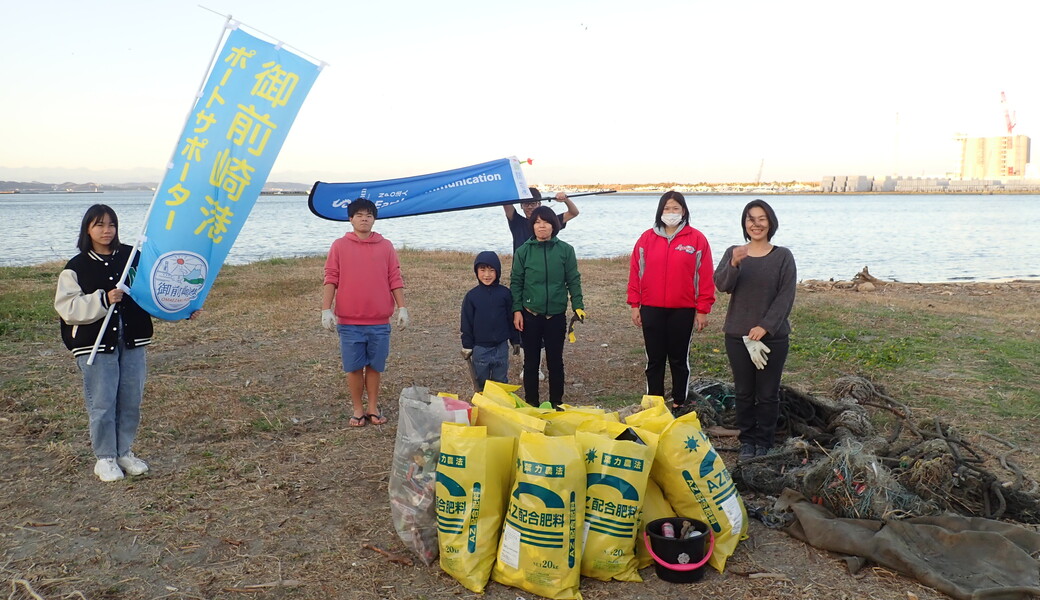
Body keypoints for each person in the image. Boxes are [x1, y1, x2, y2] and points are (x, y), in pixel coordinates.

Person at [54, 204, 154, 482]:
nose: (106, 230)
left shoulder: (132, 257)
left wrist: (181, 309)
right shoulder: (76, 267)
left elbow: (151, 290)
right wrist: (102, 299)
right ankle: (105, 457)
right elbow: (67, 307)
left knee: (130, 400)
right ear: (87, 228)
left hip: (133, 339)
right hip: (95, 344)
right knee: (103, 401)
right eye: (99, 225)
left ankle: (124, 452)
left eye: (111, 224)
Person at [713, 199, 797, 461]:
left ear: (770, 222)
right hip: (738, 335)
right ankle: (748, 440)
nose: (756, 224)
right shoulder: (734, 252)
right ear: (744, 224)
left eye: (761, 218)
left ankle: (765, 441)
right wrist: (734, 264)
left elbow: (785, 296)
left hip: (773, 337)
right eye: (751, 219)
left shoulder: (782, 256)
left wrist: (766, 326)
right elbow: (722, 285)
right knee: (744, 391)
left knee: (768, 393)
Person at [321, 198, 408, 428]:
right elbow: (331, 277)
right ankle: (358, 408)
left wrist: (402, 308)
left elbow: (394, 277)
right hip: (349, 321)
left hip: (379, 321)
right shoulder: (339, 246)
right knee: (352, 367)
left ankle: (372, 407)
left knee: (375, 366)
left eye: (368, 215)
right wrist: (325, 309)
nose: (364, 219)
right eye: (359, 215)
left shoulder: (385, 245)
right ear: (350, 219)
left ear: (374, 218)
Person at [627, 191, 716, 412]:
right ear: (660, 211)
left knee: (678, 359)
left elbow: (704, 277)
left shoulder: (696, 239)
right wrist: (635, 305)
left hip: (683, 309)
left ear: (684, 211)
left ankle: (679, 401)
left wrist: (703, 309)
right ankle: (654, 403)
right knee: (654, 359)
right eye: (667, 208)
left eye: (676, 208)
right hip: (651, 307)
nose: (671, 212)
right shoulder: (646, 238)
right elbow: (636, 272)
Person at [510, 207, 585, 408]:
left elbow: (573, 280)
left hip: (556, 316)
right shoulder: (523, 251)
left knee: (555, 362)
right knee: (531, 362)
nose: (541, 226)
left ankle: (556, 403)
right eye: (537, 222)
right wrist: (517, 310)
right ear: (532, 226)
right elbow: (516, 283)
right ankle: (532, 403)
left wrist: (578, 304)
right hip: (530, 315)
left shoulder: (565, 250)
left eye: (546, 222)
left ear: (554, 225)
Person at [460, 251, 521, 389]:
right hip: (480, 349)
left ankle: (499, 405)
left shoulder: (505, 294)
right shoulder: (472, 296)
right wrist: (467, 345)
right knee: (481, 381)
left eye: (491, 270)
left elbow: (511, 319)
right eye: (482, 270)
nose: (487, 275)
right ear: (476, 271)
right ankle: (483, 404)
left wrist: (515, 340)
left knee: (500, 380)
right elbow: (466, 323)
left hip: (501, 347)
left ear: (497, 272)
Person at [503, 187, 580, 252]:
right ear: (521, 205)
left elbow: (573, 212)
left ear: (539, 204)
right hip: (522, 265)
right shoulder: (516, 221)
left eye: (533, 203)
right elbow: (505, 200)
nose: (530, 207)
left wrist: (565, 199)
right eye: (526, 204)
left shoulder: (550, 221)